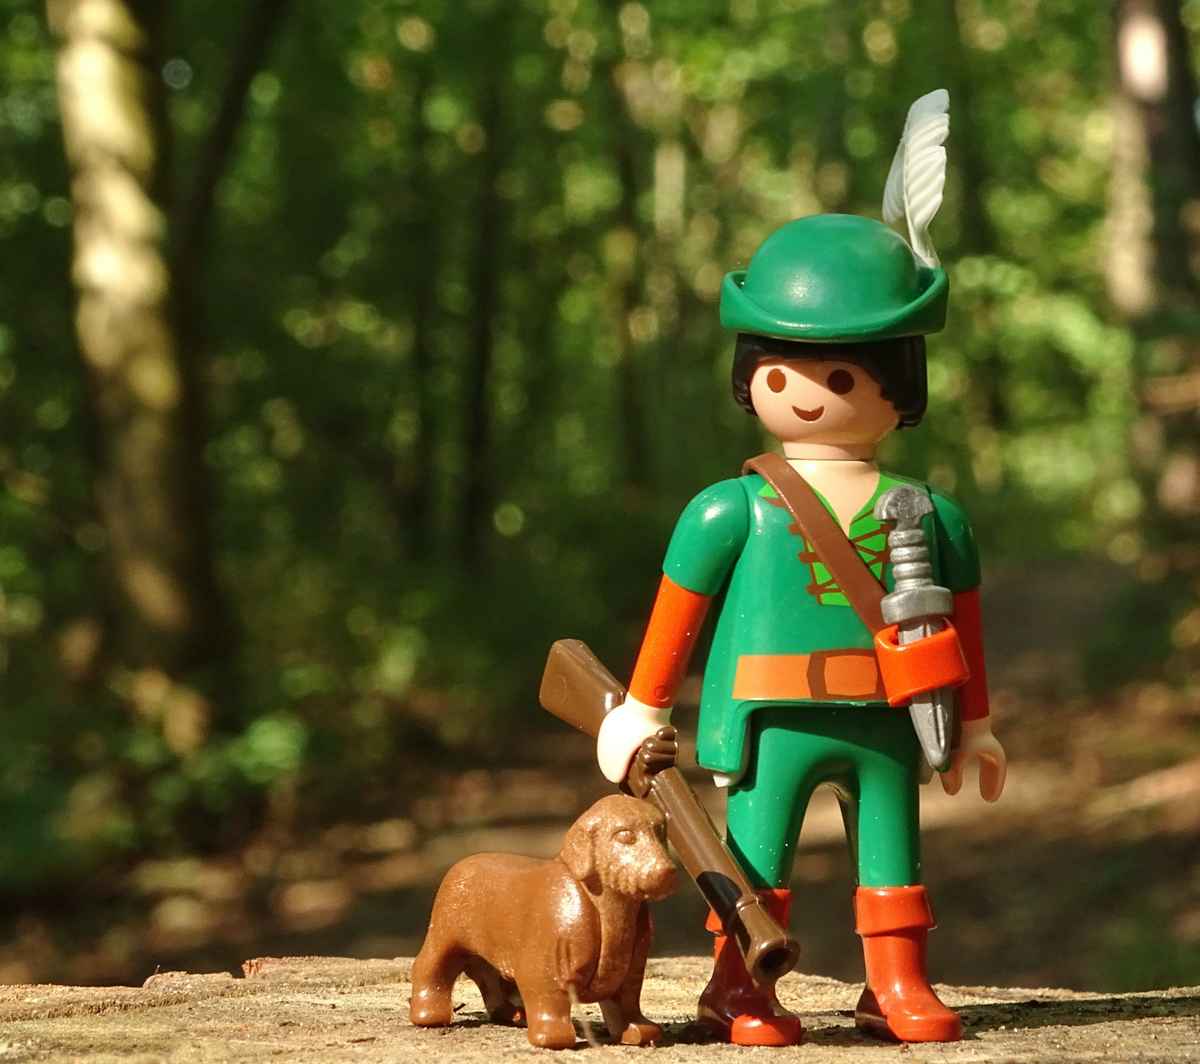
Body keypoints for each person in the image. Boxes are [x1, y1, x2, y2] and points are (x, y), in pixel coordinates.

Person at [594, 92, 1007, 1047]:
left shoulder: (932, 514)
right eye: (781, 374)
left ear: (899, 387)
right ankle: (739, 987)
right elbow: (678, 609)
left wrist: (976, 722)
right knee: (752, 858)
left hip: (890, 708)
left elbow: (965, 624)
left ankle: (895, 982)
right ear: (751, 379)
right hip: (770, 714)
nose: (810, 396)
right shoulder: (729, 509)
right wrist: (641, 708)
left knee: (892, 852)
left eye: (843, 378)